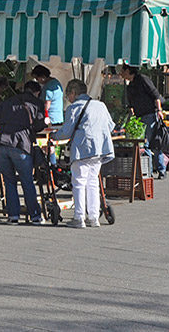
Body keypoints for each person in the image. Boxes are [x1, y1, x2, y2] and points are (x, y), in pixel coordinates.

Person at [52, 79, 115, 228]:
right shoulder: (100, 105)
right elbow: (111, 126)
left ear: (74, 93)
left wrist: (53, 135)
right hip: (100, 148)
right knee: (93, 182)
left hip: (82, 148)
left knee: (79, 182)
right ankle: (93, 217)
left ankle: (79, 217)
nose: (68, 99)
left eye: (68, 95)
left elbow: (66, 132)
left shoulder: (74, 108)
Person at [0, 80, 47, 224]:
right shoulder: (37, 103)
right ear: (37, 92)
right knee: (27, 180)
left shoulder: (8, 100)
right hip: (20, 143)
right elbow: (39, 125)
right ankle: (35, 216)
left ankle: (13, 216)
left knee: (9, 180)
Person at [120, 65, 166, 179]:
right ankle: (150, 171)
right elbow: (131, 105)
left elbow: (155, 95)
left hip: (150, 115)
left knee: (151, 143)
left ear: (128, 71)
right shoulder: (129, 86)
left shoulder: (142, 79)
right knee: (146, 144)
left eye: (122, 71)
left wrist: (159, 110)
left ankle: (159, 170)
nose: (120, 73)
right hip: (139, 118)